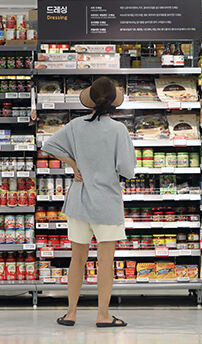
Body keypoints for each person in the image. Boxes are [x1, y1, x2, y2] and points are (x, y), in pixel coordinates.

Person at [41, 77, 136, 327]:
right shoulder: (118, 130)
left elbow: (48, 144)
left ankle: (71, 313)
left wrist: (73, 164)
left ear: (91, 100)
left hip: (79, 201)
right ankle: (103, 315)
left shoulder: (75, 125)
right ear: (113, 102)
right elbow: (127, 168)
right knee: (106, 261)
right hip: (107, 201)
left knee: (77, 258)